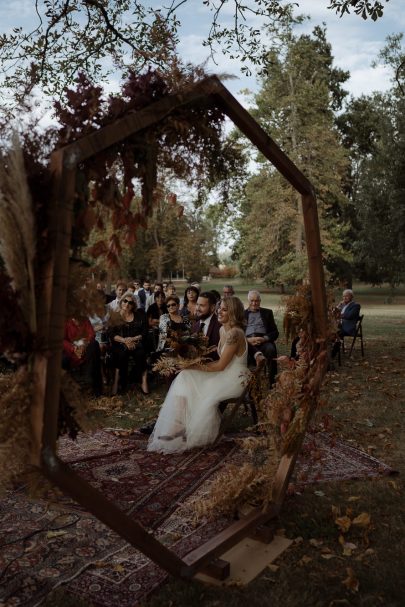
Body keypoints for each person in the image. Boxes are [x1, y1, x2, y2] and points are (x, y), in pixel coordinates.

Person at [148, 296, 250, 453]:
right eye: (219, 308)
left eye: (224, 309)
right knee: (185, 376)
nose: (219, 312)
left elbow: (221, 365)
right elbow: (219, 364)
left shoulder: (235, 334)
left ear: (234, 312)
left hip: (235, 378)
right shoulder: (223, 329)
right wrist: (190, 366)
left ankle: (183, 431)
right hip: (224, 373)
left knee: (191, 379)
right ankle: (178, 428)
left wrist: (193, 366)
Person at [108, 291, 149, 395]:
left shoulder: (139, 315)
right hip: (120, 343)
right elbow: (112, 334)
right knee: (121, 354)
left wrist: (133, 339)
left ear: (133, 305)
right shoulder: (115, 316)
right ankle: (117, 382)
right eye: (125, 301)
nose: (127, 304)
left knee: (141, 353)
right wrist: (125, 340)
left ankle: (144, 381)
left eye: (130, 303)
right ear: (121, 302)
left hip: (135, 342)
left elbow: (144, 332)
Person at [63, 317, 102, 397]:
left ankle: (91, 382)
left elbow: (92, 334)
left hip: (85, 349)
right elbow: (62, 340)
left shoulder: (85, 320)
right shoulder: (66, 321)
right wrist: (73, 348)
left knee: (95, 344)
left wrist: (84, 345)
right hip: (72, 351)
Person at [244, 290, 279, 384]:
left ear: (260, 301)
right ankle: (251, 384)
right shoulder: (242, 314)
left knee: (271, 349)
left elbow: (275, 332)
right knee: (244, 355)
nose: (254, 303)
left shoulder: (267, 313)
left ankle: (272, 382)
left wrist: (264, 338)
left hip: (264, 340)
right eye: (252, 301)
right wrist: (248, 340)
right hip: (248, 342)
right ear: (248, 301)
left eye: (257, 300)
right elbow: (238, 333)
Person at [193, 291, 221, 356]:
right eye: (197, 304)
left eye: (202, 305)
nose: (197, 308)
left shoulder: (220, 325)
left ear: (212, 307)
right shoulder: (195, 326)